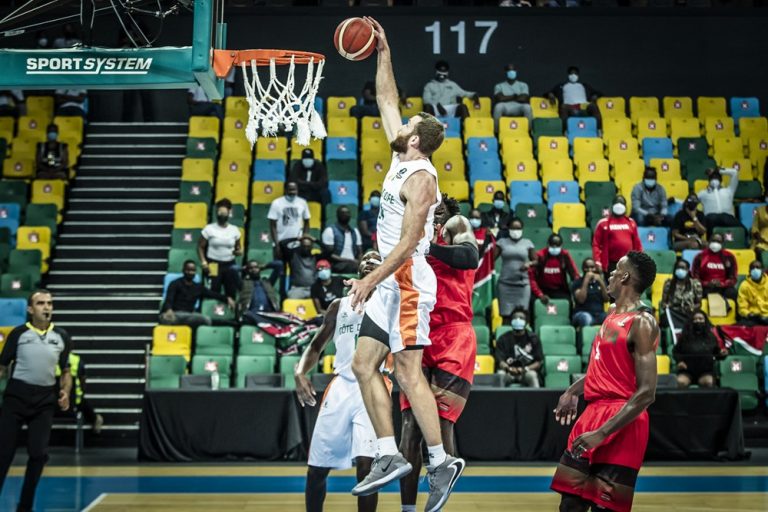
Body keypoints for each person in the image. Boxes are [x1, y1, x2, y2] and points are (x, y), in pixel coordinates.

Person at [346, 17, 464, 512]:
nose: (402, 122)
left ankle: (439, 461)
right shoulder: (401, 157)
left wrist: (370, 277)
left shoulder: (422, 179)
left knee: (410, 373)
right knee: (362, 364)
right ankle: (390, 454)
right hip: (390, 283)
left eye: (410, 125)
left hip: (409, 278)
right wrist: (383, 50)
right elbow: (387, 97)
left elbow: (413, 240)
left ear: (416, 139)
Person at [551, 251, 659, 512]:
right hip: (593, 413)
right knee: (570, 505)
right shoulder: (611, 313)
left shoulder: (642, 322)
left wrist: (602, 433)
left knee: (605, 508)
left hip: (623, 420)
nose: (608, 276)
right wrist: (572, 391)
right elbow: (604, 369)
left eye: (614, 271)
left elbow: (646, 393)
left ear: (625, 276)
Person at [399, 195, 479, 512]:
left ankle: (437, 504)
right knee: (409, 426)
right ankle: (407, 508)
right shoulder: (410, 234)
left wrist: (426, 248)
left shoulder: (455, 225)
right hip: (416, 331)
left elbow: (470, 256)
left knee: (441, 423)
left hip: (453, 333)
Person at [296, 252, 384, 512]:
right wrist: (301, 371)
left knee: (367, 468)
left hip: (374, 385)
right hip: (342, 385)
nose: (369, 260)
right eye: (365, 258)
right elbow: (316, 345)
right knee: (316, 468)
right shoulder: (339, 305)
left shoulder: (389, 302)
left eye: (376, 258)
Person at [0, 290, 73, 512]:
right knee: (3, 455)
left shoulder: (61, 336)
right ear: (30, 309)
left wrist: (66, 391)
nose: (46, 307)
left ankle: (25, 506)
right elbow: (2, 366)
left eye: (50, 303)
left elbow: (66, 370)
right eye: (40, 303)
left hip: (44, 400)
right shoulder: (19, 334)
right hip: (16, 398)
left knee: (38, 454)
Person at [160, 260, 235, 328]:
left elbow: (213, 294)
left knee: (205, 319)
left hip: (190, 315)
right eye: (188, 270)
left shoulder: (198, 287)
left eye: (193, 271)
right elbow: (169, 299)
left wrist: (227, 298)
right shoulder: (175, 284)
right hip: (175, 314)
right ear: (183, 270)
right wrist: (169, 310)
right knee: (166, 319)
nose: (190, 272)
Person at [198, 198, 242, 300]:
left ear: (229, 213)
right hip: (213, 263)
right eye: (220, 212)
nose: (222, 215)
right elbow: (200, 246)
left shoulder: (234, 230)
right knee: (214, 290)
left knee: (231, 291)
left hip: (230, 264)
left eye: (224, 213)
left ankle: (229, 314)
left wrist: (238, 252)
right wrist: (204, 262)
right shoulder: (209, 228)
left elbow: (238, 248)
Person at [674, 309, 727, 389]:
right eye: (695, 319)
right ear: (691, 321)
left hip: (705, 371)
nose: (698, 321)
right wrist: (679, 361)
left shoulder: (711, 337)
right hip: (687, 370)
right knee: (680, 382)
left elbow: (716, 353)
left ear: (705, 321)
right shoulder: (684, 337)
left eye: (700, 319)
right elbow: (676, 351)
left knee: (708, 382)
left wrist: (722, 353)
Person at [495, 218, 535, 322]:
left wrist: (529, 264)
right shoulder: (502, 242)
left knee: (522, 316)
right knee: (506, 317)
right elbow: (490, 259)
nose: (516, 231)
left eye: (518, 228)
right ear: (508, 229)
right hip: (505, 285)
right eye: (513, 228)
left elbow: (536, 261)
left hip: (522, 285)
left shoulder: (528, 243)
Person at [56, 352, 104, 434]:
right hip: (73, 404)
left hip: (49, 404)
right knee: (80, 399)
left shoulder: (47, 358)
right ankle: (95, 419)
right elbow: (83, 381)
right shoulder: (76, 360)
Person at [592, 195, 642, 274]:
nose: (619, 205)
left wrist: (639, 261)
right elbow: (596, 244)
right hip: (611, 264)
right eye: (617, 202)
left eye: (621, 203)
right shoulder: (603, 223)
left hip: (628, 263)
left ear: (625, 206)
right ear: (612, 206)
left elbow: (637, 244)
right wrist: (597, 261)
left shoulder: (631, 222)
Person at [495, 306, 542, 388]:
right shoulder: (503, 339)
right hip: (508, 372)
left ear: (526, 322)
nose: (518, 320)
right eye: (515, 318)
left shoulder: (533, 339)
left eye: (521, 318)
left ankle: (536, 400)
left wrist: (525, 369)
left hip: (526, 372)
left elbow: (538, 362)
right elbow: (500, 361)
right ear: (510, 321)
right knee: (500, 375)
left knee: (532, 375)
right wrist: (508, 368)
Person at [529, 233, 580, 304]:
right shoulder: (540, 255)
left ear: (561, 245)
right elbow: (532, 278)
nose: (555, 247)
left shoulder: (564, 255)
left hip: (559, 289)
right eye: (552, 245)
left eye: (557, 245)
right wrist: (540, 294)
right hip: (542, 289)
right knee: (532, 301)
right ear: (548, 244)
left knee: (568, 302)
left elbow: (574, 274)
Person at [268, 181, 311, 263]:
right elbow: (272, 225)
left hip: (296, 245)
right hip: (280, 243)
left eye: (294, 189)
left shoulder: (302, 202)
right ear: (285, 190)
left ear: (297, 190)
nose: (292, 192)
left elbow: (307, 221)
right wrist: (277, 245)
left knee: (296, 272)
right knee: (280, 272)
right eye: (290, 190)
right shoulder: (276, 203)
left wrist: (304, 238)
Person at [691, 232, 738, 301]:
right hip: (705, 287)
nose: (715, 243)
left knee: (733, 292)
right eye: (713, 241)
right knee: (697, 292)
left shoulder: (729, 257)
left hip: (723, 287)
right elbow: (695, 276)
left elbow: (733, 277)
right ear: (709, 242)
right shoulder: (700, 256)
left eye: (718, 241)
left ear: (722, 243)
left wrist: (722, 284)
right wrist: (706, 283)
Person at [659, 259, 703, 331]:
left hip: (689, 313)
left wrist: (691, 308)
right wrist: (666, 305)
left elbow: (699, 303)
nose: (680, 270)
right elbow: (663, 302)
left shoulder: (695, 284)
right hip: (674, 313)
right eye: (678, 267)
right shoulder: (668, 284)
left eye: (683, 268)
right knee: (664, 319)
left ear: (687, 270)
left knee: (700, 320)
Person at [697, 166, 741, 235]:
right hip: (711, 218)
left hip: (727, 217)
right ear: (709, 180)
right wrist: (675, 199)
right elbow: (689, 201)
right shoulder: (703, 193)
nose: (714, 179)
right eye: (712, 177)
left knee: (742, 229)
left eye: (717, 177)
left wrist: (718, 170)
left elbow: (735, 173)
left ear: (721, 180)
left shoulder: (729, 190)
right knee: (710, 220)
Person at [321, 206, 363, 274]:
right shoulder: (330, 230)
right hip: (337, 264)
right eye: (342, 213)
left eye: (347, 213)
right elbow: (328, 255)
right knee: (352, 266)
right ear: (337, 215)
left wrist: (361, 262)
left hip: (354, 263)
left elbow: (360, 252)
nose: (345, 214)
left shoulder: (355, 231)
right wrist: (349, 260)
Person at [238, 260, 281, 325]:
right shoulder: (243, 284)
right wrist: (243, 268)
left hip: (268, 313)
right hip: (253, 314)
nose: (254, 270)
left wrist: (264, 266)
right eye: (251, 268)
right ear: (247, 270)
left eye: (256, 267)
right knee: (247, 316)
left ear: (259, 269)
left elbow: (279, 264)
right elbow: (232, 270)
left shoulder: (268, 282)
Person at [492, 63, 533, 129]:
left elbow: (524, 99)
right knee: (498, 107)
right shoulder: (499, 86)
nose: (512, 72)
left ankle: (529, 131)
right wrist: (514, 96)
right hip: (505, 107)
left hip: (519, 106)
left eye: (513, 70)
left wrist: (506, 97)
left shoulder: (523, 85)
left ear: (516, 71)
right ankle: (496, 132)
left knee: (527, 107)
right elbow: (500, 99)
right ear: (506, 72)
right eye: (509, 70)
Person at [571, 257, 609, 327]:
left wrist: (601, 281)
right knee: (586, 318)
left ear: (595, 268)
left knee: (610, 319)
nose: (589, 270)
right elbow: (581, 300)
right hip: (582, 313)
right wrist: (586, 280)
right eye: (586, 267)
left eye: (592, 267)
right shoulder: (577, 282)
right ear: (582, 268)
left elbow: (607, 299)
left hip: (599, 314)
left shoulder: (600, 282)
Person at [737, 260, 768, 325]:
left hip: (767, 316)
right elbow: (742, 307)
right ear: (749, 271)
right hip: (753, 317)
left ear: (763, 270)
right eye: (753, 268)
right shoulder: (744, 286)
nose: (755, 270)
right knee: (741, 324)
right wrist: (749, 314)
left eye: (757, 267)